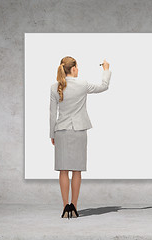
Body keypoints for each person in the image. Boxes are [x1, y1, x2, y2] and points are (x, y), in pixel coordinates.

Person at [50, 56, 112, 219]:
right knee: (76, 170)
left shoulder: (55, 87)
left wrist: (51, 133)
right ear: (74, 68)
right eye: (78, 67)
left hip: (61, 130)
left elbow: (52, 113)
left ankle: (65, 208)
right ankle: (74, 207)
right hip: (78, 131)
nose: (79, 69)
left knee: (63, 170)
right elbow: (104, 86)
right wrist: (105, 69)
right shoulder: (83, 84)